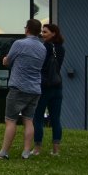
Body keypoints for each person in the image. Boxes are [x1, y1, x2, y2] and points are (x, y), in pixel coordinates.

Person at [0, 19, 46, 160]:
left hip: (19, 87)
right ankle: (26, 152)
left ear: (27, 29)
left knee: (11, 120)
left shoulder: (19, 44)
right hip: (35, 89)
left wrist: (5, 59)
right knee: (28, 120)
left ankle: (3, 153)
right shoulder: (42, 48)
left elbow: (8, 61)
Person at [32, 23, 66, 156]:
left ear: (53, 33)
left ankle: (37, 148)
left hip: (44, 87)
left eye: (45, 32)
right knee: (56, 119)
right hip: (57, 86)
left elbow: (39, 66)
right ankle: (56, 149)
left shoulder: (44, 47)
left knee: (38, 118)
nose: (42, 34)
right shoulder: (61, 49)